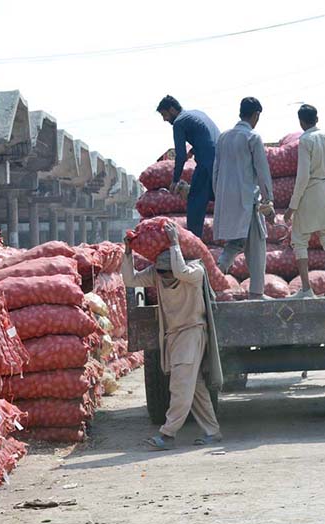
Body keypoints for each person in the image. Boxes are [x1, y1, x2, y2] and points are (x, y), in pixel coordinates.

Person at [123, 222, 222, 449]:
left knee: (179, 386)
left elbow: (180, 271)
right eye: (161, 273)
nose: (165, 278)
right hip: (173, 337)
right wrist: (128, 253)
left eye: (167, 273)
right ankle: (212, 431)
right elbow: (130, 280)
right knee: (194, 387)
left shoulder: (195, 273)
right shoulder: (158, 275)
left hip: (191, 334)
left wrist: (175, 242)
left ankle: (168, 434)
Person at [212, 97, 275, 300]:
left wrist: (219, 198)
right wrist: (268, 200)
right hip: (248, 201)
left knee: (236, 242)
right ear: (256, 115)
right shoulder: (252, 137)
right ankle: (256, 292)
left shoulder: (223, 138)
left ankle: (216, 275)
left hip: (226, 200)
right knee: (256, 244)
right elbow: (262, 172)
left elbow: (216, 171)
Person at [283, 104, 325, 298]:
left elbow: (302, 177)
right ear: (317, 119)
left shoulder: (305, 141)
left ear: (301, 122)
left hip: (310, 193)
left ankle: (307, 289)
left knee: (299, 240)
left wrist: (292, 207)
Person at [156, 95, 220, 239]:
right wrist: (192, 152)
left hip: (206, 165)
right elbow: (205, 137)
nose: (165, 119)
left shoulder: (179, 122)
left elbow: (179, 154)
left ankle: (194, 241)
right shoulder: (197, 114)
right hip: (221, 162)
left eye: (164, 114)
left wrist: (175, 180)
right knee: (215, 196)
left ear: (172, 110)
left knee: (194, 202)